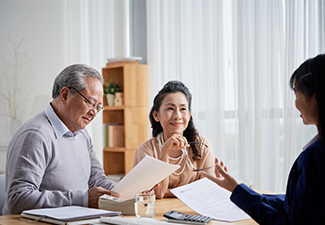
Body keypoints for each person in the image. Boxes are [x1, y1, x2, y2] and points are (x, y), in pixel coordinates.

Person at [201, 54, 325, 224]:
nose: (295, 103)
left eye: (297, 94)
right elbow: (300, 204)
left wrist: (239, 192)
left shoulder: (316, 155)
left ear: (316, 98)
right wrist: (239, 190)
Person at [3, 64, 117, 215]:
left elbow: (97, 181)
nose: (93, 113)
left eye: (98, 107)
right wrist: (82, 198)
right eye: (89, 103)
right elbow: (18, 199)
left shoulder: (82, 135)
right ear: (64, 95)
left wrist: (131, 190)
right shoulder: (35, 135)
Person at [133, 80, 216, 199]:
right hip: (158, 214)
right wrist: (164, 152)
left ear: (189, 115)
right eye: (170, 109)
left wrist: (170, 192)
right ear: (156, 115)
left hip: (194, 213)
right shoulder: (146, 150)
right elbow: (159, 193)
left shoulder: (203, 146)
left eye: (183, 109)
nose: (177, 116)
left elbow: (208, 190)